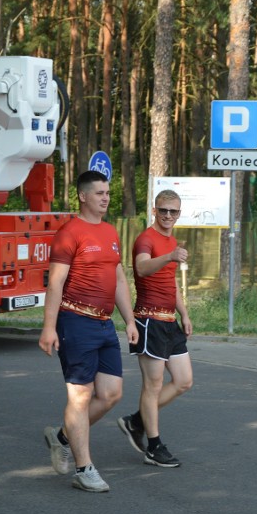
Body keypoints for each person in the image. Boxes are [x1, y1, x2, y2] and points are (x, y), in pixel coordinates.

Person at [39, 170, 138, 493]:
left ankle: (62, 436)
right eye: (99, 193)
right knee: (80, 396)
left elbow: (119, 278)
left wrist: (130, 320)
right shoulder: (70, 233)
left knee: (111, 395)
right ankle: (84, 469)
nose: (106, 197)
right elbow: (55, 283)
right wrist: (49, 328)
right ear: (83, 196)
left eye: (107, 192)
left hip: (104, 324)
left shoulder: (110, 231)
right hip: (76, 321)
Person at [116, 189, 193, 468]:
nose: (168, 216)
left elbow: (170, 284)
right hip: (148, 320)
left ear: (179, 213)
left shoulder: (170, 239)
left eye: (174, 211)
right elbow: (143, 267)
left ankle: (136, 421)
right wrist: (170, 256)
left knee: (184, 381)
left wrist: (184, 313)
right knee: (154, 385)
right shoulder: (146, 239)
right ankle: (154, 445)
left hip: (169, 321)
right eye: (164, 210)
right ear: (154, 210)